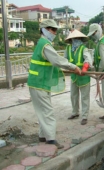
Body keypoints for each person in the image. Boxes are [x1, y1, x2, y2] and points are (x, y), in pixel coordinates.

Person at [27, 19, 81, 149]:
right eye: (52, 29)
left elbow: (53, 63)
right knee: (48, 112)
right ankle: (50, 139)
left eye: (56, 30)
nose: (55, 32)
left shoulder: (43, 43)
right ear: (44, 29)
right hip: (39, 83)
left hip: (39, 82)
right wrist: (74, 67)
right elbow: (57, 60)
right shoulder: (45, 45)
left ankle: (42, 135)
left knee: (42, 110)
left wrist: (72, 68)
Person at [64, 29, 92, 125]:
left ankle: (84, 116)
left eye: (77, 39)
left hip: (83, 76)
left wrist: (85, 67)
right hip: (74, 76)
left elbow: (88, 59)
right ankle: (75, 112)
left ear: (80, 39)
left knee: (85, 97)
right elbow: (64, 60)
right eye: (74, 39)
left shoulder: (83, 48)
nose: (76, 40)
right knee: (73, 96)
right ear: (71, 40)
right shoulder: (68, 49)